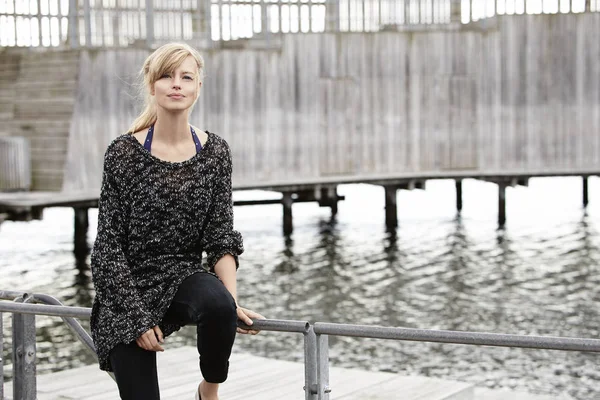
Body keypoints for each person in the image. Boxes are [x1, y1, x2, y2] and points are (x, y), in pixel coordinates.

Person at [89, 42, 264, 400]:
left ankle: (208, 391)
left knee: (217, 305)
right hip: (127, 288)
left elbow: (220, 236)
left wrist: (230, 305)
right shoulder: (122, 154)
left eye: (186, 77)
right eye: (167, 76)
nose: (176, 84)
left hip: (182, 276)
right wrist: (136, 318)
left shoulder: (216, 153)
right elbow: (107, 249)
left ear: (198, 86)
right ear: (152, 84)